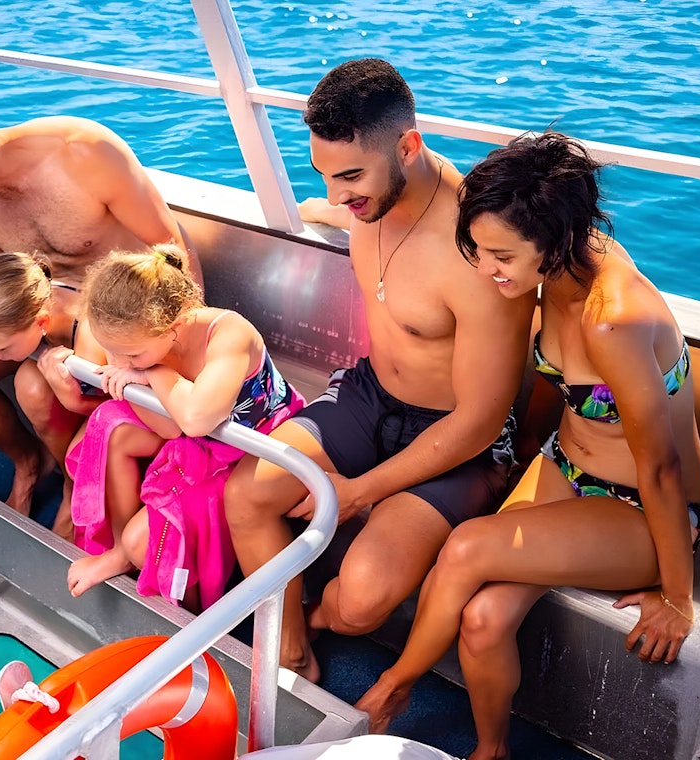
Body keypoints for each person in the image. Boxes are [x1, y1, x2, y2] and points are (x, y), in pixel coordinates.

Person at [355, 132, 700, 760]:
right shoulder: (553, 267)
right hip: (564, 469)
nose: (487, 271)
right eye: (480, 251)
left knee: (463, 548)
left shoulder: (613, 317)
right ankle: (494, 751)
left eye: (501, 257)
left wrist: (678, 600)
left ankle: (391, 690)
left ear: (556, 238)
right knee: (484, 619)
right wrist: (525, 456)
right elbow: (558, 385)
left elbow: (662, 465)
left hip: (644, 512)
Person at [223, 59, 534, 681]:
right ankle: (292, 652)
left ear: (408, 146)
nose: (339, 194)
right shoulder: (366, 203)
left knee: (360, 602)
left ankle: (318, 618)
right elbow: (350, 208)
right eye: (324, 175)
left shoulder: (477, 249)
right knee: (247, 495)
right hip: (369, 394)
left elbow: (480, 420)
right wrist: (330, 204)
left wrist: (362, 492)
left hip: (458, 438)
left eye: (351, 177)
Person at [0, 83, 192, 514]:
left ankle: (74, 488)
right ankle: (29, 462)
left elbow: (173, 251)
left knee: (34, 389)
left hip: (120, 319)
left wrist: (185, 349)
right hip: (37, 318)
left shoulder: (84, 154)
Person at [53, 246, 304, 610]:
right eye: (113, 352)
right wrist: (135, 372)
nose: (121, 363)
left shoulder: (228, 332)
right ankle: (121, 550)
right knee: (110, 423)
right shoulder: (137, 341)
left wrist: (154, 372)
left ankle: (184, 603)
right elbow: (170, 429)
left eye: (133, 355)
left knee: (145, 543)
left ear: (178, 325)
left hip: (256, 442)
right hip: (200, 441)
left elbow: (198, 419)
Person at [0, 252, 106, 538]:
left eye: (0, 348)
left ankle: (72, 490)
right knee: (31, 381)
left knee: (74, 450)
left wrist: (69, 395)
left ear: (42, 323)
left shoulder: (91, 335)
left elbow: (123, 410)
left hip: (147, 416)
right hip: (86, 392)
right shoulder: (38, 301)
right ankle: (49, 469)